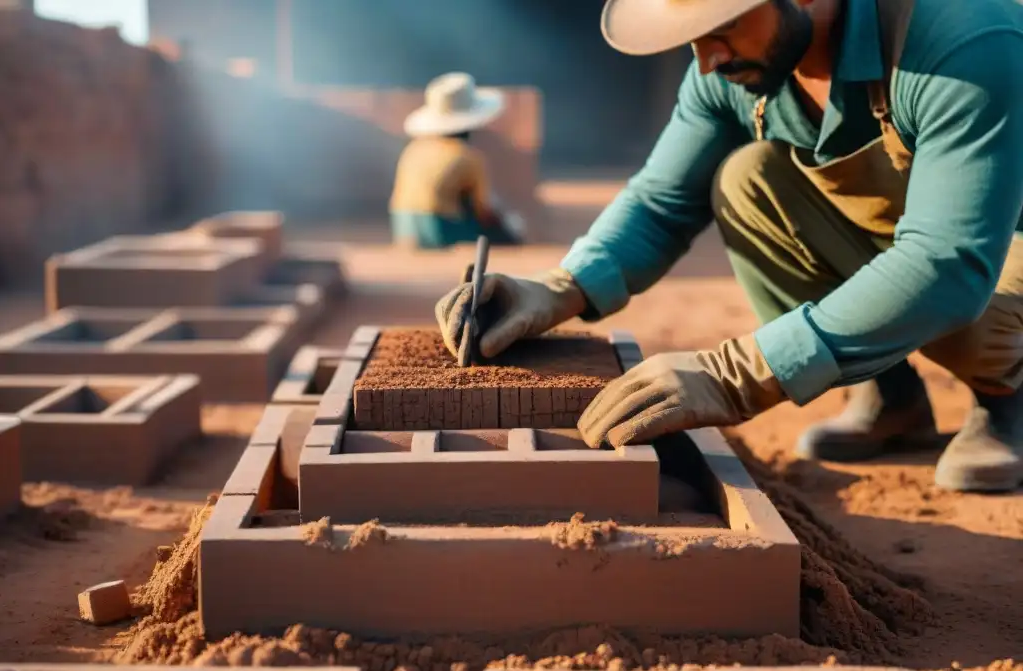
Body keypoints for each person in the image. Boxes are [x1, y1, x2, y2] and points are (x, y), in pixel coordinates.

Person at [434, 0, 1023, 492]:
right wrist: (560, 288)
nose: (707, 61)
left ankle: (1005, 401)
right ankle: (890, 398)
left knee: (971, 312)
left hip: (991, 243)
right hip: (920, 236)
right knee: (747, 181)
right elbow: (662, 201)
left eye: (721, 29)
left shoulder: (964, 41)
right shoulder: (736, 70)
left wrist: (737, 374)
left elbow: (948, 262)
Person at [390, 72, 525, 249]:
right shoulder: (467, 157)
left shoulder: (414, 148)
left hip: (403, 226)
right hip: (440, 227)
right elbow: (483, 208)